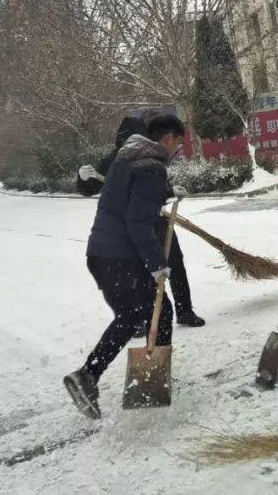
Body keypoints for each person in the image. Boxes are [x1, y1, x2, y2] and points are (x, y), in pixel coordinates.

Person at [63, 114, 189, 420]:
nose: (178, 150)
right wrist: (158, 265)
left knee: (142, 313)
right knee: (140, 313)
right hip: (120, 256)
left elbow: (128, 200)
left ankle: (144, 381)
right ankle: (100, 378)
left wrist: (168, 191)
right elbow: (137, 221)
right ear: (168, 138)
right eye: (179, 143)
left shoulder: (128, 158)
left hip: (103, 254)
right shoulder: (151, 167)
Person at [77, 114, 205, 328]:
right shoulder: (115, 160)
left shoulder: (150, 154)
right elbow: (90, 189)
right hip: (131, 228)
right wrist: (82, 178)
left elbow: (150, 191)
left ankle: (184, 310)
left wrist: (169, 190)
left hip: (156, 220)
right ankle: (140, 319)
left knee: (175, 263)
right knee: (141, 273)